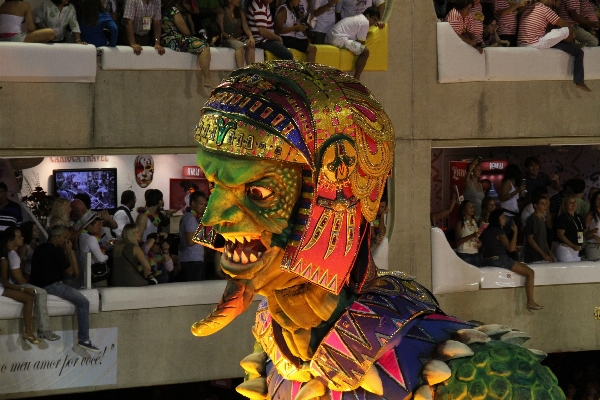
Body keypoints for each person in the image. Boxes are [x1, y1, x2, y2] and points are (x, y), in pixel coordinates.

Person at [30, 225, 101, 352]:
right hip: (51, 285)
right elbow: (73, 272)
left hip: (37, 284)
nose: (66, 241)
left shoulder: (39, 248)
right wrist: (69, 252)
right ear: (56, 238)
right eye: (64, 238)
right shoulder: (56, 251)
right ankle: (84, 339)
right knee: (84, 302)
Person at [518, 0, 591, 92]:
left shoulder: (529, 8)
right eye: (552, 0)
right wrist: (571, 34)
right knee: (566, 30)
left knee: (578, 51)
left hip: (523, 43)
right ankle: (573, 43)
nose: (553, 2)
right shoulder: (544, 9)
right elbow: (565, 24)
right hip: (536, 43)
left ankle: (579, 81)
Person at [3, 227, 60, 341]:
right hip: (11, 286)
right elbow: (19, 280)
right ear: (11, 241)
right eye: (19, 237)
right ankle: (44, 330)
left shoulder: (11, 252)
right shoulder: (12, 255)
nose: (22, 238)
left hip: (9, 284)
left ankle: (32, 331)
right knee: (41, 292)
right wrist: (29, 286)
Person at [480, 209, 542, 310]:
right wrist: (515, 233)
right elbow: (510, 248)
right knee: (530, 272)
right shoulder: (499, 231)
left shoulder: (487, 230)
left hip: (487, 259)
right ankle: (530, 301)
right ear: (497, 219)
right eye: (503, 217)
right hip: (499, 259)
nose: (505, 219)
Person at [161, 0, 217, 88]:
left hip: (163, 39)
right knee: (204, 46)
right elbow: (185, 31)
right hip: (173, 39)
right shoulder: (173, 10)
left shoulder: (160, 7)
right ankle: (207, 79)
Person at [325, 7, 381, 80]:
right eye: (374, 19)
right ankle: (356, 78)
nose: (374, 23)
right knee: (365, 51)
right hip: (339, 39)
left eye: (376, 21)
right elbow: (361, 42)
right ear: (367, 16)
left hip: (329, 38)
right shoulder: (365, 22)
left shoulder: (357, 18)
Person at [0, 247, 39, 344]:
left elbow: (5, 283)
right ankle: (28, 332)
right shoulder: (4, 261)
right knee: (28, 297)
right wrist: (24, 289)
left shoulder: (4, 260)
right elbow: (6, 284)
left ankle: (28, 332)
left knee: (29, 298)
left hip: (2, 286)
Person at [179, 191, 207, 281]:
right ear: (193, 203)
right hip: (191, 260)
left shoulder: (192, 217)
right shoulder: (190, 218)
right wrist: (204, 235)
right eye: (201, 204)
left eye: (205, 205)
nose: (203, 207)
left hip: (192, 259)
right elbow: (190, 241)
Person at [219, 0, 255, 68]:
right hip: (227, 39)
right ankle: (240, 73)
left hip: (238, 38)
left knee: (250, 44)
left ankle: (251, 71)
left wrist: (250, 36)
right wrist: (232, 38)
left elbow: (245, 26)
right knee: (239, 45)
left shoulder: (240, 12)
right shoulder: (222, 12)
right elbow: (221, 31)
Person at [524, 194, 554, 263]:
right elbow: (530, 239)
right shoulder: (533, 219)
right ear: (535, 205)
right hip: (535, 257)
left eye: (546, 203)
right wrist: (543, 253)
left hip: (542, 255)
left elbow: (543, 238)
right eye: (542, 203)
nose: (545, 206)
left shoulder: (542, 218)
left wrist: (549, 252)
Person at [555, 195, 585, 262]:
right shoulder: (563, 217)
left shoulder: (578, 217)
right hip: (566, 249)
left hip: (577, 248)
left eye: (574, 202)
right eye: (570, 202)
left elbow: (581, 231)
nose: (573, 204)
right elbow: (560, 234)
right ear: (565, 205)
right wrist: (572, 245)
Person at [499, 163, 525, 235]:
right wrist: (517, 191)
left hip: (515, 214)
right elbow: (502, 198)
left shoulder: (516, 184)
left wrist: (521, 194)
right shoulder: (507, 182)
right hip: (507, 214)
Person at [454, 200, 481, 267]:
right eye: (469, 207)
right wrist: (472, 235)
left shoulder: (475, 221)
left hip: (475, 252)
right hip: (464, 254)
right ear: (464, 209)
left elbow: (476, 237)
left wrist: (479, 242)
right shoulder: (460, 223)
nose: (472, 208)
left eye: (472, 207)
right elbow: (458, 241)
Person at [584, 190, 600, 261]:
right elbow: (584, 233)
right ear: (594, 200)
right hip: (593, 246)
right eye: (598, 198)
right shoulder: (590, 215)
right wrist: (593, 235)